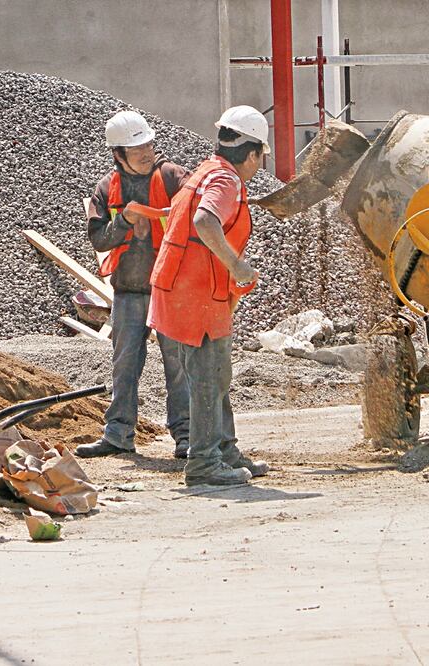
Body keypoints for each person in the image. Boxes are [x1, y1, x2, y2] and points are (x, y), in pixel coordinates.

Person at [147, 105, 270, 486]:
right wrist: (237, 266)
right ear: (251, 153)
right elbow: (203, 220)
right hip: (195, 291)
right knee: (206, 378)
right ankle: (203, 463)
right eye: (260, 157)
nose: (259, 165)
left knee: (215, 375)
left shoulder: (203, 171)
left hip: (185, 288)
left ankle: (224, 450)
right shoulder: (226, 181)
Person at [78, 111, 190, 459]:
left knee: (178, 364)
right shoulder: (106, 188)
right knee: (124, 364)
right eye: (136, 147)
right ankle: (118, 434)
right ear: (118, 154)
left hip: (169, 289)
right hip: (128, 290)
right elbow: (99, 240)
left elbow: (198, 216)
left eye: (148, 144)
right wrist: (125, 219)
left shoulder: (172, 177)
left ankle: (187, 437)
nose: (146, 152)